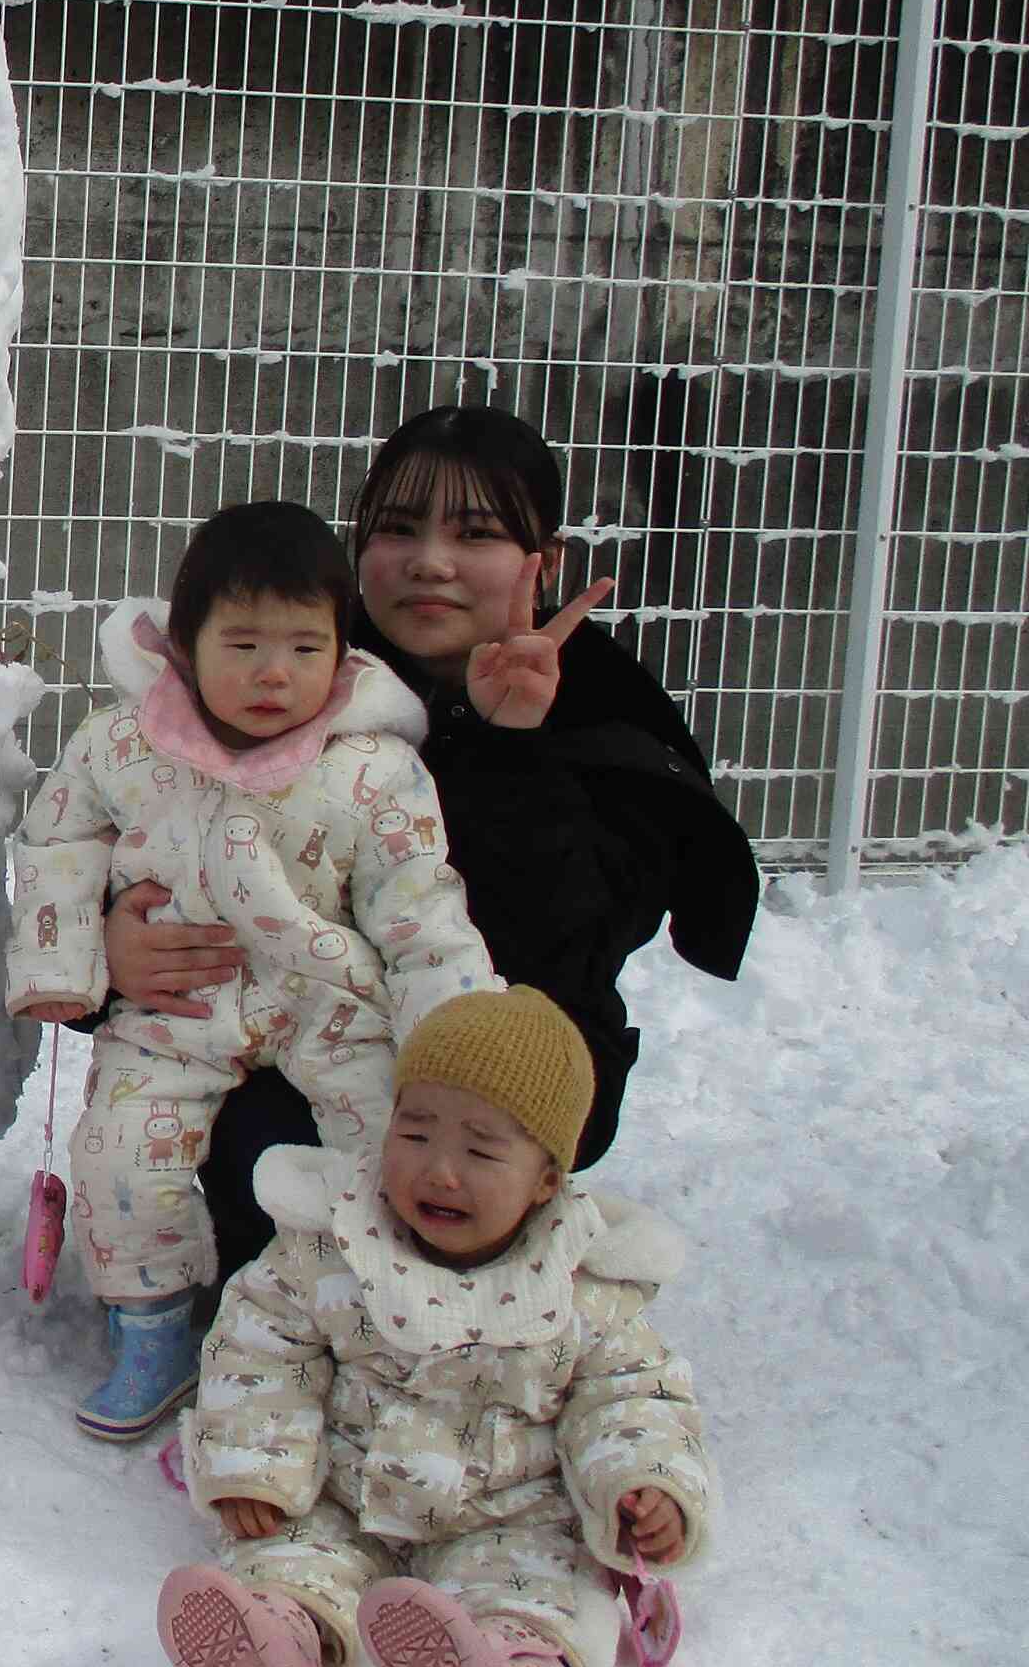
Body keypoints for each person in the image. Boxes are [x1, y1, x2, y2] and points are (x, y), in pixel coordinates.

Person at [106, 409, 759, 1280]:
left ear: (546, 563)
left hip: (489, 1055)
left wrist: (509, 747)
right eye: (398, 529)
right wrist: (118, 941)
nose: (430, 561)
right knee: (256, 1138)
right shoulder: (304, 677)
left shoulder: (610, 710)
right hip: (295, 1030)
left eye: (476, 533)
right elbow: (135, 824)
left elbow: (570, 951)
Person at [8, 501, 498, 1445]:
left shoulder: (373, 770)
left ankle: (375, 1330)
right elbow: (58, 842)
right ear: (183, 647)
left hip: (328, 1003)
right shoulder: (125, 745)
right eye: (242, 644)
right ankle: (152, 1326)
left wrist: (455, 1035)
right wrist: (65, 961)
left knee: (377, 1150)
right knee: (119, 1151)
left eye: (305, 648)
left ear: (343, 653)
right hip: (176, 1002)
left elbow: (422, 907)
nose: (276, 673)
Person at [156, 986, 710, 1667]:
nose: (440, 1172)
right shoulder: (332, 1243)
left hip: (509, 1510)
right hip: (345, 1490)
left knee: (545, 1592)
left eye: (481, 1151)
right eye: (414, 1134)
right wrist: (255, 1465)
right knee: (290, 1555)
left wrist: (641, 1484)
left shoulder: (584, 1285)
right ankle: (274, 1642)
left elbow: (630, 1396)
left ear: (548, 1179)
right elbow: (259, 1345)